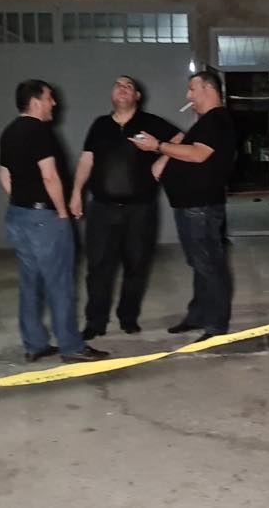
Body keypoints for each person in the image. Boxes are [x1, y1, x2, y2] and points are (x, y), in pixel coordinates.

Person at [0, 79, 109, 364]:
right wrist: (61, 212)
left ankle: (34, 344)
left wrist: (21, 200)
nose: (54, 103)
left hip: (18, 216)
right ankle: (71, 346)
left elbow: (3, 174)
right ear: (36, 102)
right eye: (49, 98)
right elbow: (49, 176)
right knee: (60, 284)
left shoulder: (9, 132)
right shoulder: (39, 131)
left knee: (29, 283)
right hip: (45, 219)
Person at [69, 76, 182, 339]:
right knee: (98, 267)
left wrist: (162, 159)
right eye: (118, 85)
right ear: (112, 93)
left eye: (129, 86)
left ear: (137, 96)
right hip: (102, 209)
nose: (123, 89)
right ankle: (95, 322)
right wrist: (76, 193)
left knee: (136, 265)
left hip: (140, 210)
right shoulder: (100, 125)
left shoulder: (150, 123)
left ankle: (128, 318)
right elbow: (86, 160)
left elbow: (181, 138)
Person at [132, 71, 235, 343]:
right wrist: (162, 158)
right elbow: (187, 150)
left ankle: (216, 325)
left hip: (201, 207)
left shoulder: (215, 120)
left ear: (209, 89)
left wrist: (158, 146)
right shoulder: (204, 122)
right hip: (190, 205)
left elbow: (199, 154)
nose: (188, 96)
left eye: (192, 89)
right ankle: (198, 314)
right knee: (200, 263)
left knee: (209, 265)